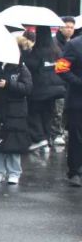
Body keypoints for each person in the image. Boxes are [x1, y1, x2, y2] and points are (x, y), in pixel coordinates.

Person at [0, 54, 32, 184]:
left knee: (13, 142)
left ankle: (14, 172)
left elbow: (27, 88)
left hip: (14, 112)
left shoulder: (20, 68)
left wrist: (8, 84)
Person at [24, 26, 65, 151]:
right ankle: (47, 138)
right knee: (48, 114)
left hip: (38, 91)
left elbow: (30, 66)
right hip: (56, 91)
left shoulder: (36, 52)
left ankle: (39, 139)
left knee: (34, 113)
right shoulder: (58, 52)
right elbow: (63, 70)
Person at [56, 34, 82, 186]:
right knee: (77, 137)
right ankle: (74, 171)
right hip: (78, 101)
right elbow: (60, 68)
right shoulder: (74, 45)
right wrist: (78, 82)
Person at [51, 17, 76, 147]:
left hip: (70, 82)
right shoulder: (54, 43)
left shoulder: (73, 42)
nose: (69, 30)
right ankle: (56, 133)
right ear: (60, 27)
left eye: (72, 27)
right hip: (58, 81)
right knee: (58, 110)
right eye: (67, 27)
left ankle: (63, 130)